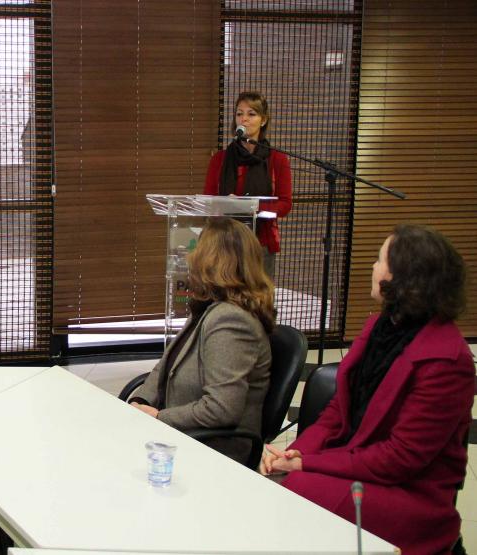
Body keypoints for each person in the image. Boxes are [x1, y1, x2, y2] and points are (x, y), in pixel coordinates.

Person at [262, 224, 473, 555]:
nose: (372, 268)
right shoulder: (379, 326)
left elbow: (399, 459)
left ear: (404, 278)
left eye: (379, 260)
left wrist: (308, 466)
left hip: (408, 493)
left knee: (297, 488)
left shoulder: (447, 360)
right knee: (276, 479)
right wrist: (296, 453)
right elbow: (337, 411)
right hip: (359, 464)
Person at [129, 218, 276, 464]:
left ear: (213, 260)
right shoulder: (208, 307)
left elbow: (221, 409)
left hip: (212, 449)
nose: (190, 256)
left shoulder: (230, 320)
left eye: (198, 248)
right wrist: (140, 400)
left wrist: (157, 417)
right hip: (183, 435)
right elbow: (165, 367)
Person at [204, 91, 292, 278]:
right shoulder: (220, 159)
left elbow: (284, 205)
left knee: (258, 302)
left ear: (263, 120)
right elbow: (208, 202)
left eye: (251, 114)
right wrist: (225, 204)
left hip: (260, 243)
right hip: (225, 242)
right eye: (239, 113)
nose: (243, 119)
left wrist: (249, 206)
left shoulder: (277, 159)